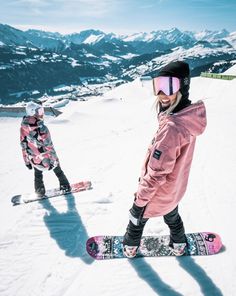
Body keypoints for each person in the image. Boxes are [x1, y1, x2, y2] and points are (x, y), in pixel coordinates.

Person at [123, 61, 207, 258]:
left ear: (183, 88)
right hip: (174, 191)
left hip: (157, 193)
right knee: (173, 216)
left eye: (169, 86)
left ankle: (130, 247)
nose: (162, 94)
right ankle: (179, 244)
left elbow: (156, 174)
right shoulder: (187, 119)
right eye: (158, 85)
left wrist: (138, 204)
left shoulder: (172, 128)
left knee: (136, 221)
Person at [20, 100, 71, 197]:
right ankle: (65, 186)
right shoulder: (42, 128)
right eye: (39, 111)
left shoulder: (23, 127)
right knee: (58, 171)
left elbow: (23, 145)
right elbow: (49, 147)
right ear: (32, 112)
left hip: (35, 160)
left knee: (38, 175)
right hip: (47, 160)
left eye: (42, 110)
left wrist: (27, 162)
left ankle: (39, 191)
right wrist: (54, 161)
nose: (42, 114)